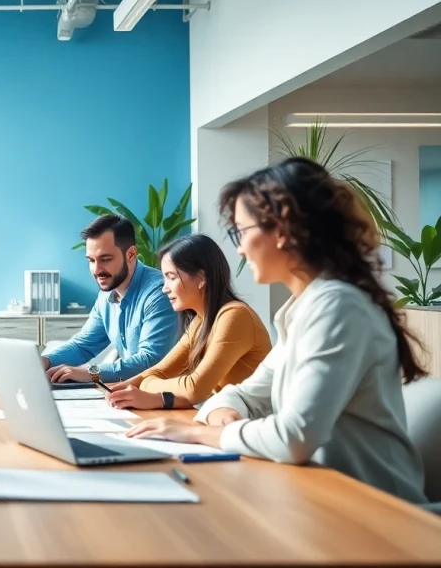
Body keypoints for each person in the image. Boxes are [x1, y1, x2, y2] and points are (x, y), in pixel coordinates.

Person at [127, 157, 428, 504]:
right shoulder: (300, 310)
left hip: (378, 511)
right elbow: (241, 395)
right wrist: (222, 414)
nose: (239, 248)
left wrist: (198, 433)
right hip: (318, 496)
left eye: (241, 232)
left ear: (282, 230)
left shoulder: (338, 307)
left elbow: (294, 437)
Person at [106, 234, 271, 410]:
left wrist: (149, 387)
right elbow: (160, 370)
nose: (164, 288)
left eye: (171, 277)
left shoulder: (235, 316)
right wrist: (126, 387)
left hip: (252, 426)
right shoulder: (201, 321)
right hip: (227, 416)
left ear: (200, 278)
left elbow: (195, 389)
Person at [44, 215, 178, 384]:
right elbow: (83, 346)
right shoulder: (106, 296)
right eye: (91, 261)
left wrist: (90, 372)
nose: (97, 269)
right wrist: (45, 361)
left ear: (130, 254)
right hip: (131, 394)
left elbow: (150, 360)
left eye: (105, 259)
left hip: (167, 399)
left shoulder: (159, 293)